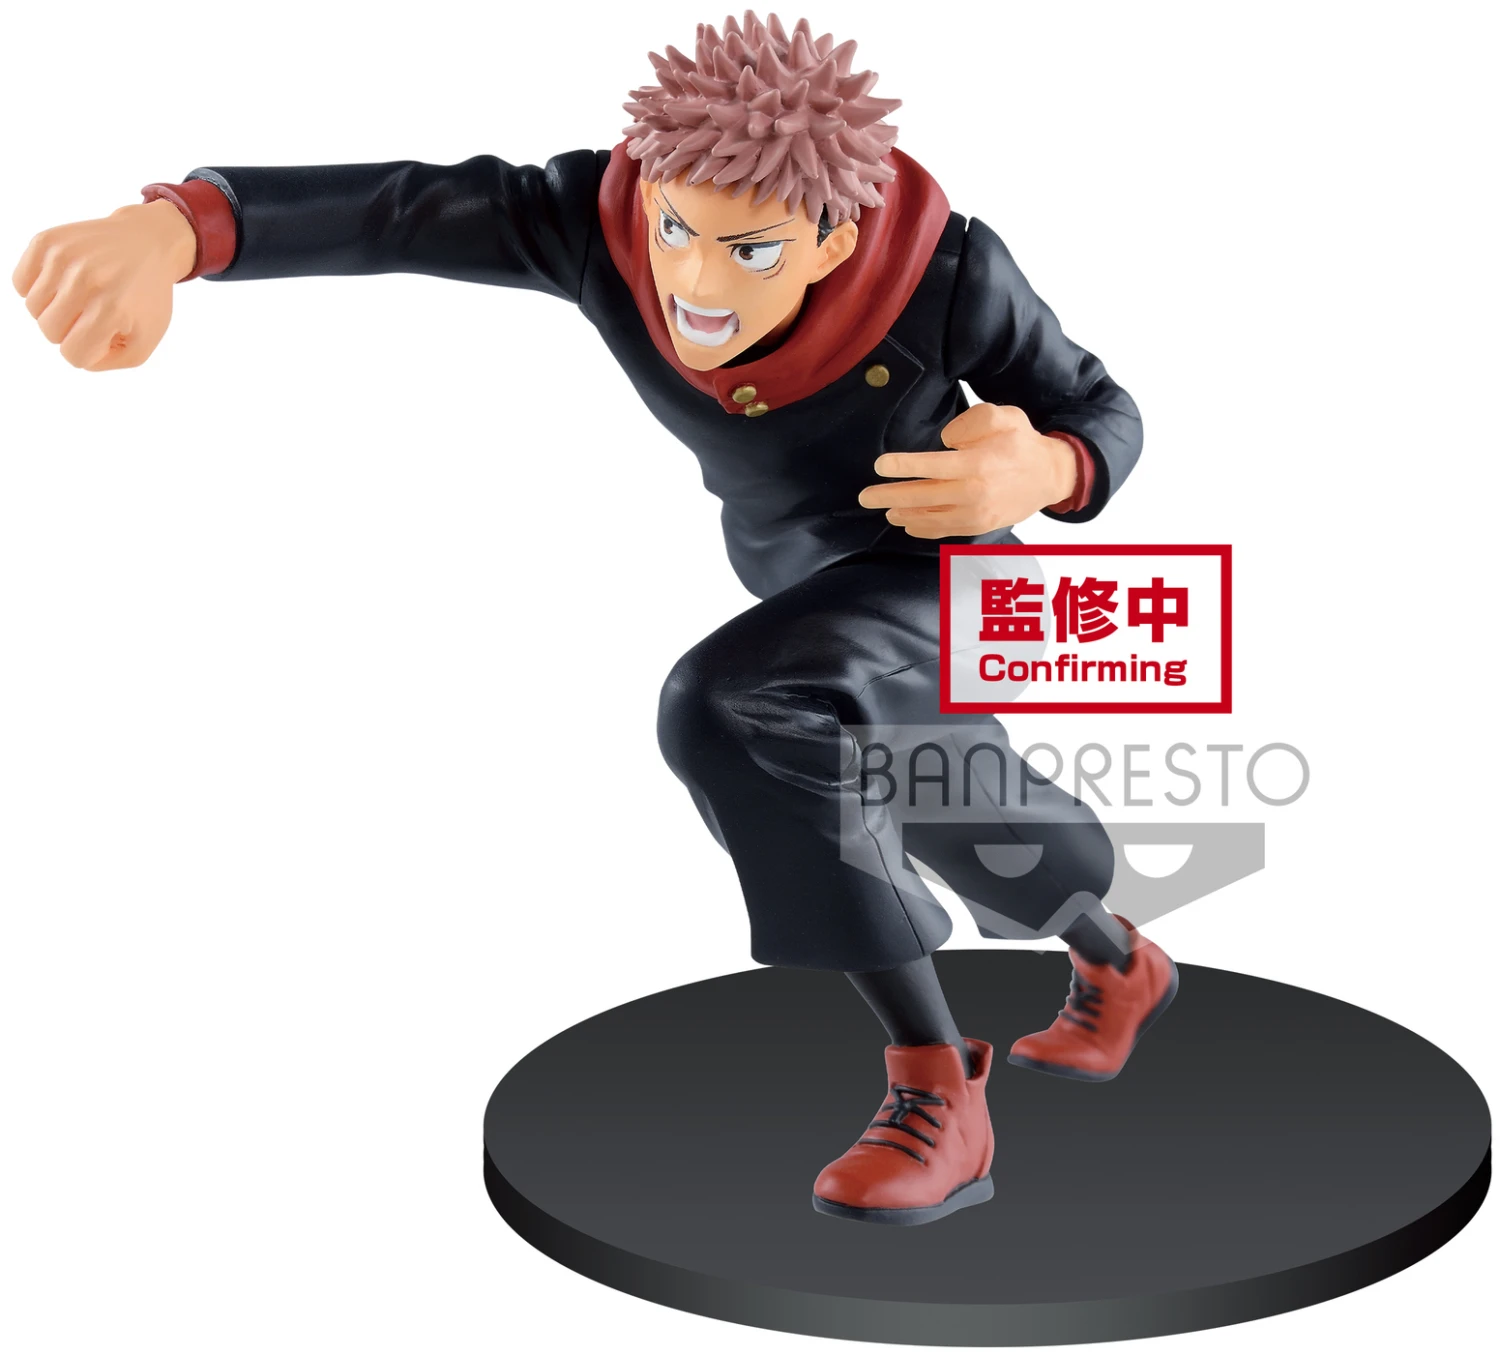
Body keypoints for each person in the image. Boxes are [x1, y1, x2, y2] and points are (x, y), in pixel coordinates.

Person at [12, 11, 1177, 1226]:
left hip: (950, 580)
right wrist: (178, 229)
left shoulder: (947, 276)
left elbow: (1104, 408)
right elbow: (402, 208)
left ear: (833, 238)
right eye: (679, 231)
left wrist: (1047, 467)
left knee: (732, 710)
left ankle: (939, 1085)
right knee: (959, 804)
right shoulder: (597, 229)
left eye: (750, 251)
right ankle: (1120, 963)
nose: (697, 285)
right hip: (801, 583)